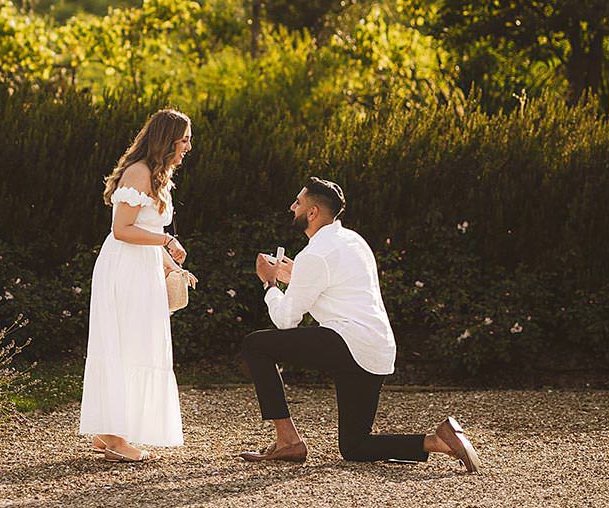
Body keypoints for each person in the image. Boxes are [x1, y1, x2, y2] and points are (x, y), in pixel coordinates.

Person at [239, 177, 481, 472]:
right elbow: (338, 289)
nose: (292, 207)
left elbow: (286, 320)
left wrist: (270, 283)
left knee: (256, 345)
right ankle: (437, 441)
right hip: (375, 349)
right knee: (355, 446)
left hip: (348, 342)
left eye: (298, 202)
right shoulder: (354, 240)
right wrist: (297, 277)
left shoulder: (313, 255)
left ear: (312, 212)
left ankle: (287, 439)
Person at [79, 108, 196, 463]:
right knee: (122, 343)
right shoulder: (138, 173)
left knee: (138, 345)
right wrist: (163, 242)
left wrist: (172, 264)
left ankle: (110, 429)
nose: (188, 146)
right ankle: (113, 436)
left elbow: (147, 232)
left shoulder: (159, 177)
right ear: (168, 140)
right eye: (184, 139)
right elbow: (123, 230)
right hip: (123, 271)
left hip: (142, 268)